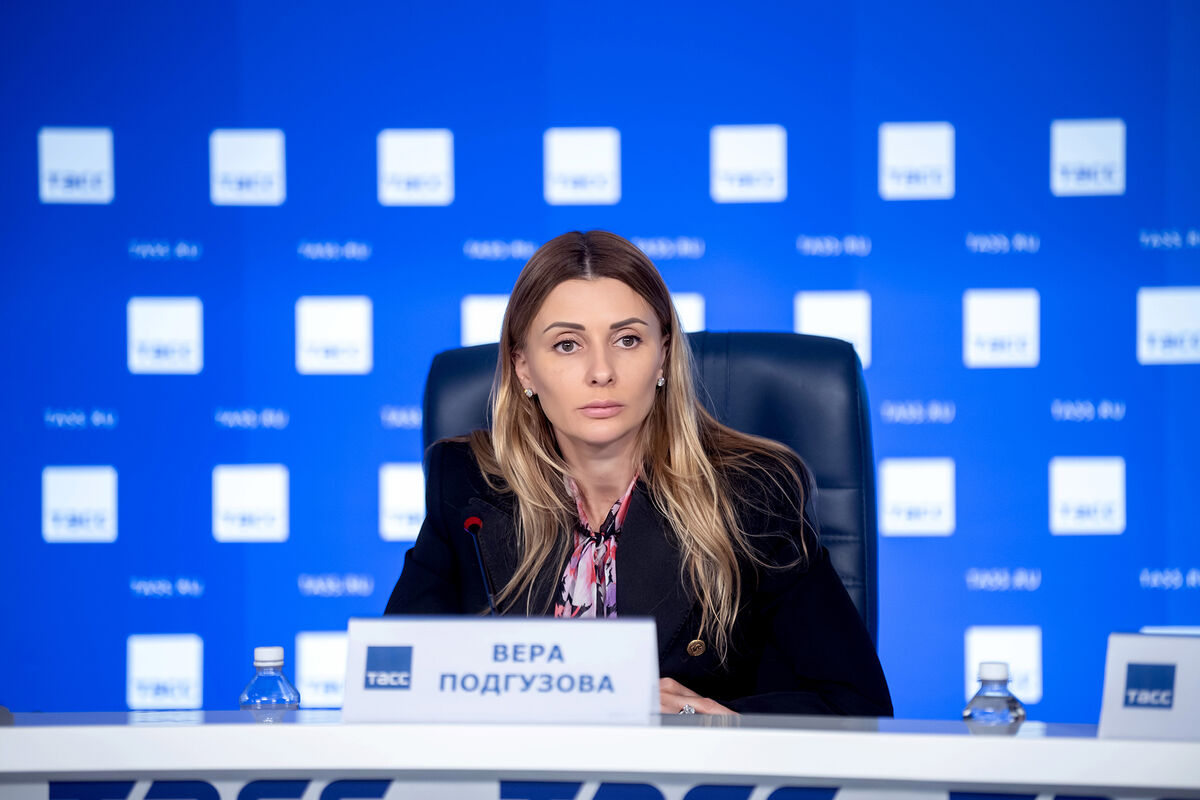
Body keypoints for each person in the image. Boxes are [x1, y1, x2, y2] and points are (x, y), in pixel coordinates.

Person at [385, 230, 893, 716]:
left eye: (627, 340)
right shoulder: (468, 484)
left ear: (663, 355)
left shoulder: (752, 495)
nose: (601, 371)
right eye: (567, 345)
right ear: (523, 368)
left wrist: (710, 718)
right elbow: (392, 681)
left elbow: (856, 704)